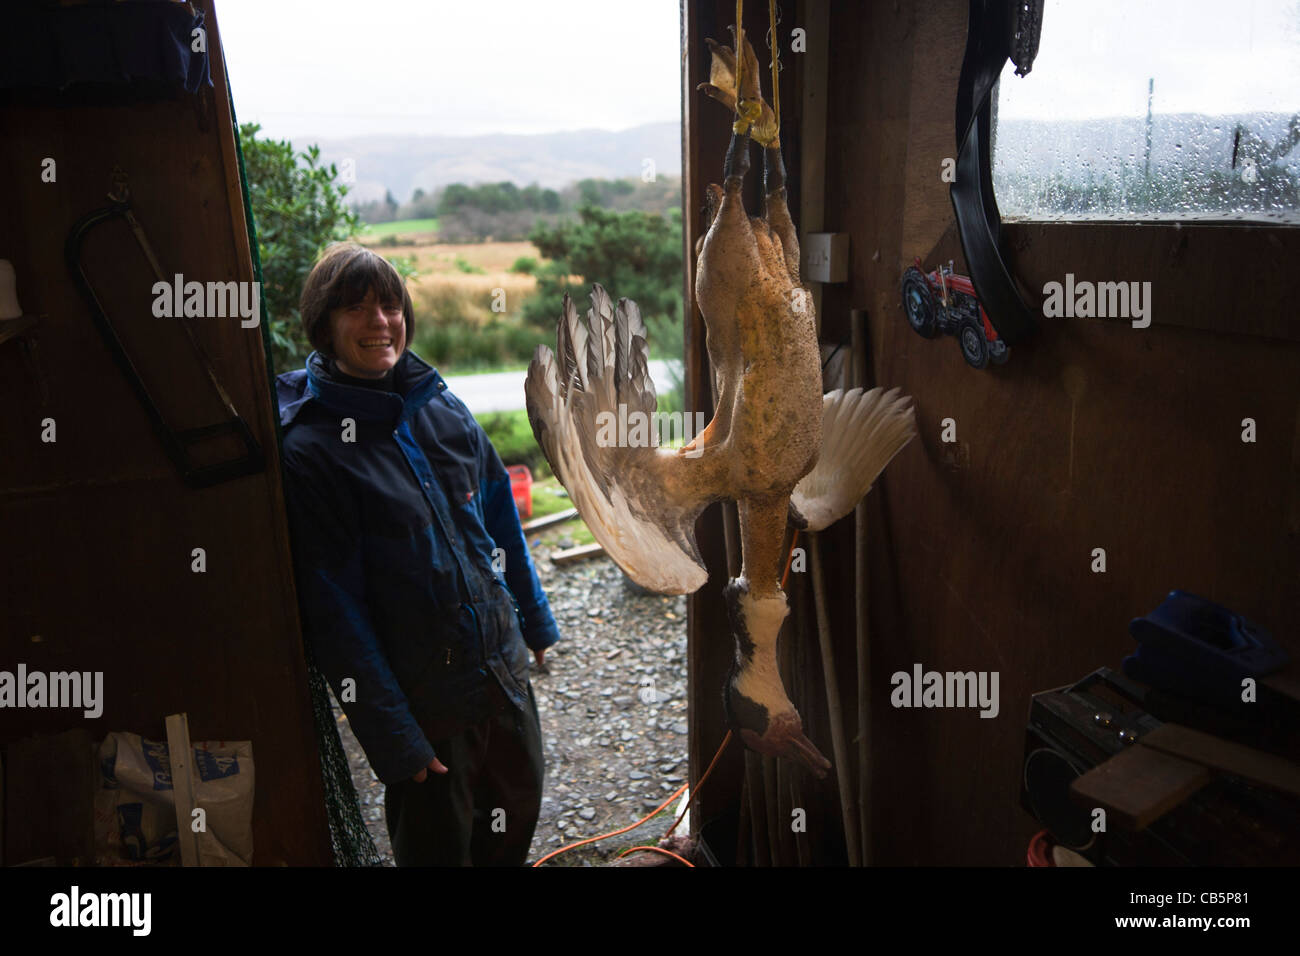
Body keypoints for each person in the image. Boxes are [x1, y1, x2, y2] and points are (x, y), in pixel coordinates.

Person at [275, 242, 560, 866]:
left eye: (390, 305)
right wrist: (397, 738)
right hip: (428, 707)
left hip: (502, 673)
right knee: (439, 851)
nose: (380, 322)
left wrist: (534, 621)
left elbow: (501, 525)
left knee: (514, 822)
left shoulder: (440, 405)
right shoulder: (312, 453)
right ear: (324, 326)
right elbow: (334, 615)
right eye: (357, 309)